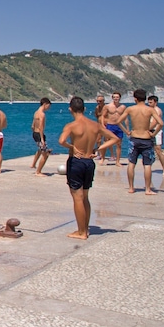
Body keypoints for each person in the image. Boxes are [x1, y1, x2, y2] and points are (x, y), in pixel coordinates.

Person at [57, 96, 121, 240]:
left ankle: (81, 232)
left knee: (77, 198)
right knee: (85, 197)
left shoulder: (71, 126)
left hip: (76, 162)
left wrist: (72, 147)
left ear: (70, 109)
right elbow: (115, 139)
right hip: (89, 162)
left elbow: (61, 141)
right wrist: (98, 149)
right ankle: (85, 228)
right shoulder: (95, 125)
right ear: (84, 109)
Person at [117, 89, 164, 194]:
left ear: (135, 98)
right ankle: (147, 189)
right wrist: (153, 133)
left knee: (131, 163)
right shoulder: (150, 110)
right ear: (145, 98)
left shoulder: (130, 109)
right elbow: (160, 123)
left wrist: (127, 131)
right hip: (146, 138)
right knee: (147, 165)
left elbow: (118, 121)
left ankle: (131, 188)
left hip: (134, 138)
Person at [101, 91, 126, 166]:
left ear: (120, 98)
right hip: (110, 125)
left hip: (119, 126)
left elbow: (125, 118)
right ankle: (102, 158)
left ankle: (117, 161)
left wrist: (127, 128)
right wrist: (103, 125)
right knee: (106, 142)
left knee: (119, 144)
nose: (116, 98)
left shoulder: (123, 107)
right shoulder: (108, 106)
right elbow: (103, 116)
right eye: (114, 97)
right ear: (112, 98)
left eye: (117, 97)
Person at [30, 98, 52, 176]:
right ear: (45, 104)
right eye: (48, 106)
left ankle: (33, 164)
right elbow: (41, 127)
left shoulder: (36, 113)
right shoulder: (42, 114)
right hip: (39, 135)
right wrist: (42, 139)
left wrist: (35, 134)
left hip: (35, 134)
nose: (48, 108)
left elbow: (32, 126)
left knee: (40, 150)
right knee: (46, 154)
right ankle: (38, 171)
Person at [148, 95, 164, 176]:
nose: (149, 104)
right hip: (149, 130)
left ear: (155, 102)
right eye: (148, 102)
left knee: (158, 150)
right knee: (148, 149)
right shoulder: (150, 110)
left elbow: (155, 122)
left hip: (156, 131)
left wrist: (147, 129)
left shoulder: (157, 110)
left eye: (151, 102)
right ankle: (149, 167)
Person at [93, 95, 111, 162]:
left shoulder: (106, 107)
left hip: (106, 125)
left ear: (103, 101)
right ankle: (99, 154)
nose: (98, 102)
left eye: (100, 101)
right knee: (98, 140)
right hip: (99, 125)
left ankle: (111, 155)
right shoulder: (97, 108)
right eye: (97, 101)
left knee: (107, 140)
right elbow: (96, 116)